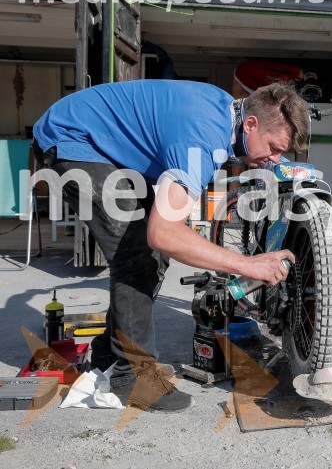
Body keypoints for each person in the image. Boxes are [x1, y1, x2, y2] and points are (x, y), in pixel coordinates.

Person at [32, 80, 307, 411]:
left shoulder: (227, 113)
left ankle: (107, 356)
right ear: (250, 124)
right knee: (135, 253)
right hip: (72, 139)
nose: (274, 159)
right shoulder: (200, 142)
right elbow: (163, 233)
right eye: (273, 147)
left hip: (104, 146)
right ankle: (132, 378)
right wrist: (246, 264)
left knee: (154, 256)